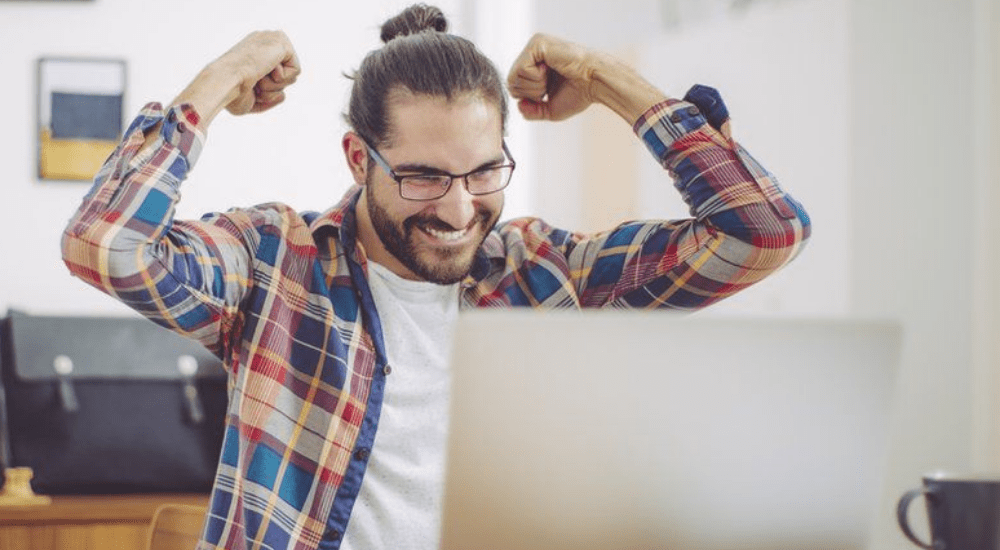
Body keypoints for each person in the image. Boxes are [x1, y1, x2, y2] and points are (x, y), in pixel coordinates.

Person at [61, 5, 810, 550]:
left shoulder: (549, 276)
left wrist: (601, 74)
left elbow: (762, 233)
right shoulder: (271, 263)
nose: (458, 209)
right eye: (422, 176)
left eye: (484, 171)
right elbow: (104, 244)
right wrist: (219, 81)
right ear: (360, 160)